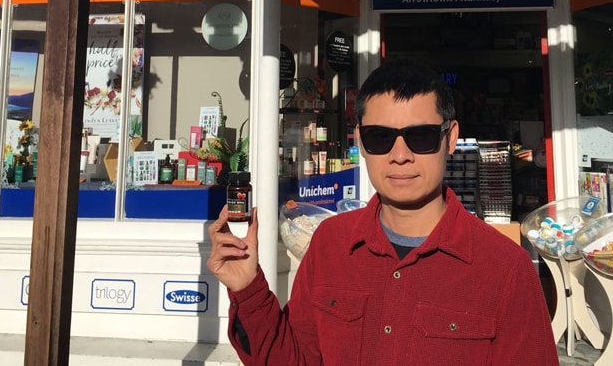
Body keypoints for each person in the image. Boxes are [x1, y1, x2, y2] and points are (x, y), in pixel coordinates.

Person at [207, 58, 559, 365]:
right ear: (360, 141)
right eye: (380, 137)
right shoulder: (330, 243)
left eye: (421, 136)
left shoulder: (505, 268)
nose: (400, 155)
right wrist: (248, 289)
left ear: (450, 138)